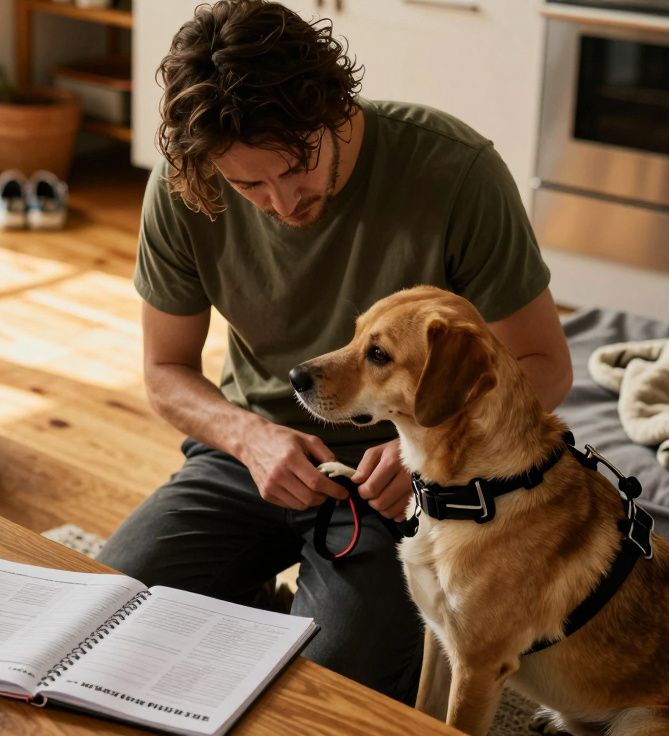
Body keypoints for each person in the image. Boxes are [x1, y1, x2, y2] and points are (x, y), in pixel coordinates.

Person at [96, 0, 574, 704]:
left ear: (335, 106)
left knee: (332, 685)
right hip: (252, 457)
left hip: (408, 475)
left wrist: (432, 453)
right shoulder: (184, 187)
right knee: (114, 612)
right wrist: (250, 438)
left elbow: (543, 365)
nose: (281, 202)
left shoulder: (456, 170)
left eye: (296, 167)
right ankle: (255, 596)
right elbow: (164, 371)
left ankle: (288, 617)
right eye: (247, 185)